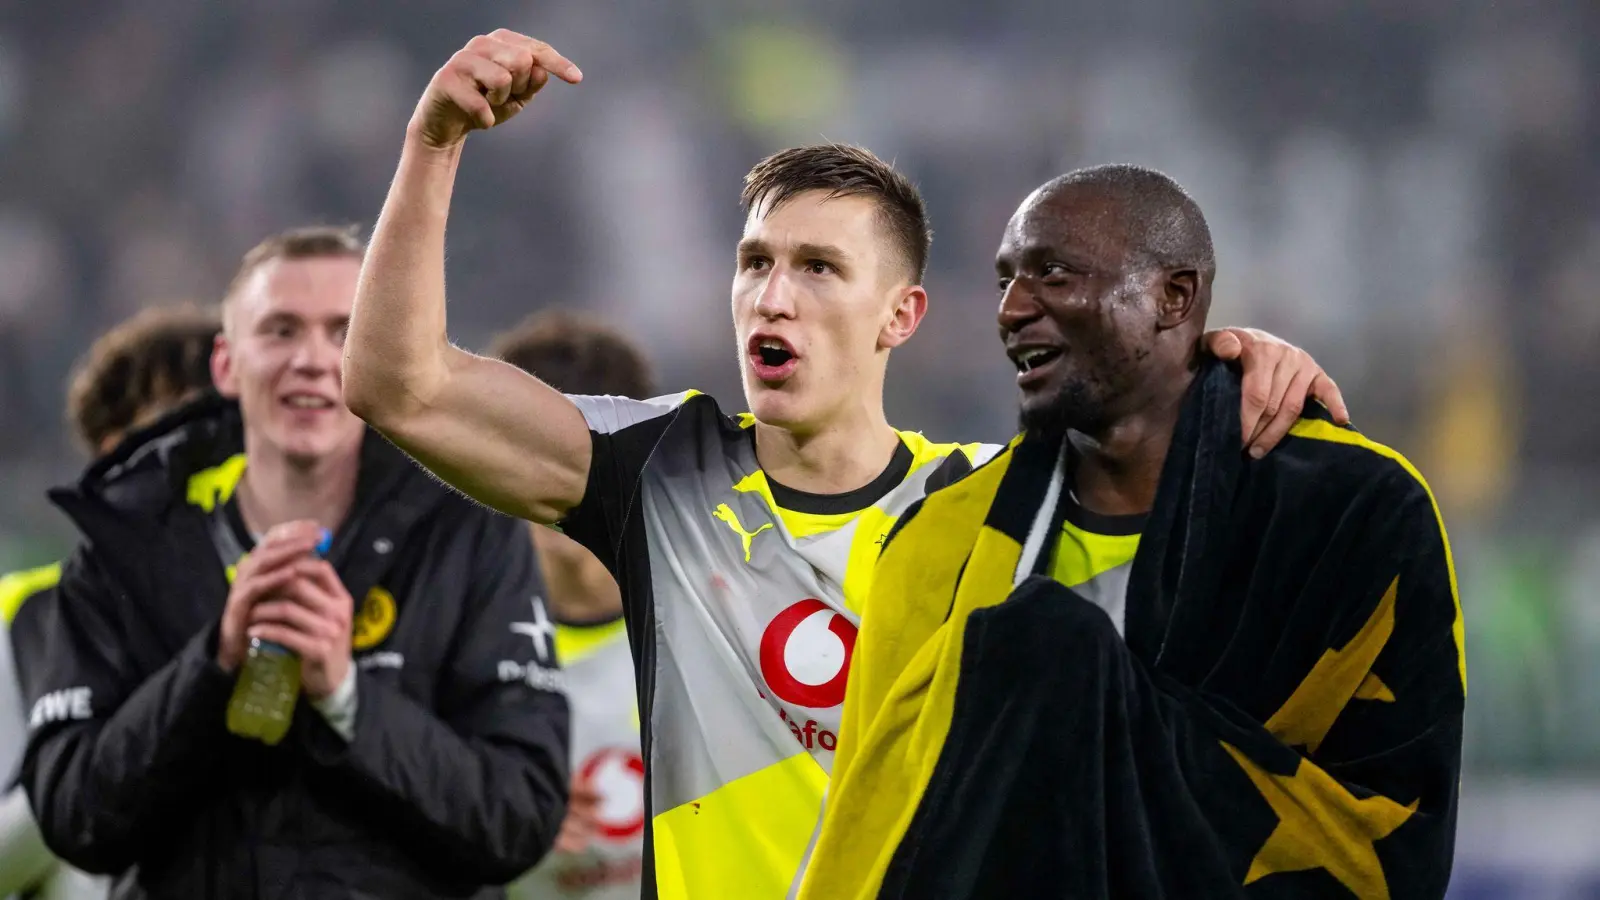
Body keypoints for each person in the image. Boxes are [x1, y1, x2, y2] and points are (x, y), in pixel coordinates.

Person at [342, 29, 1349, 899]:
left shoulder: (990, 505)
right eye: (755, 264)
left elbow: (1239, 550)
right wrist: (433, 144)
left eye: (818, 268)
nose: (774, 298)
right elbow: (399, 384)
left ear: (899, 316)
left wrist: (1243, 361)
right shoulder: (662, 473)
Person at [798, 166, 1464, 899]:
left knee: (1043, 645)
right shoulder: (935, 543)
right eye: (1004, 282)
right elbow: (874, 833)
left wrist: (1076, 691)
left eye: (1053, 274)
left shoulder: (1351, 509)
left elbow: (1387, 830)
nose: (1013, 309)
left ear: (1173, 297)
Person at [10, 227, 570, 899]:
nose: (310, 358)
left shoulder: (469, 530)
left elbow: (518, 816)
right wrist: (212, 666)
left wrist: (347, 699)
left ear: (380, 352)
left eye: (343, 332)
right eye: (280, 330)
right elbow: (75, 818)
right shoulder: (125, 540)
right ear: (226, 364)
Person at [1, 304, 220, 900]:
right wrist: (100, 765)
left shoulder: (312, 583)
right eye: (181, 420)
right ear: (112, 448)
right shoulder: (21, 615)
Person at [489, 310, 654, 900]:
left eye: (573, 450)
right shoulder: (462, 651)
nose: (549, 479)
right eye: (523, 450)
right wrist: (498, 818)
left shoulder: (716, 622)